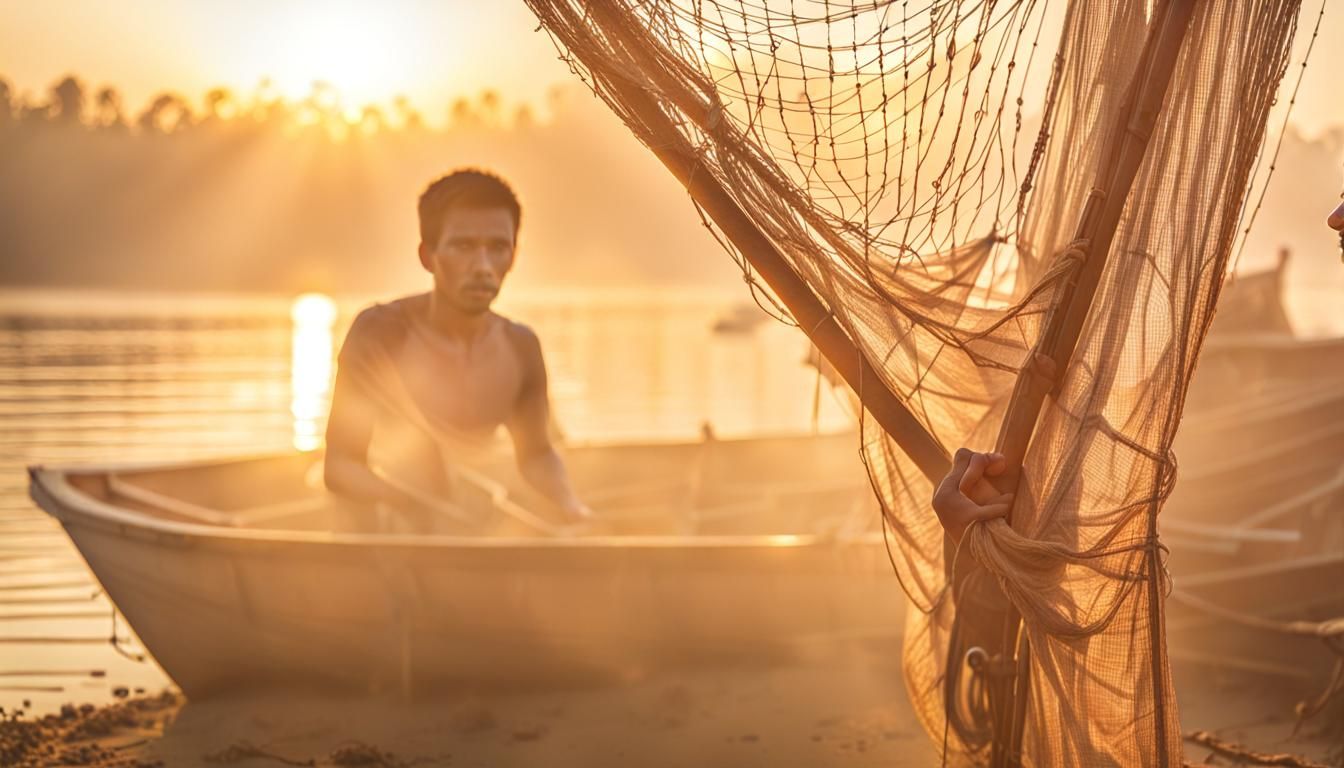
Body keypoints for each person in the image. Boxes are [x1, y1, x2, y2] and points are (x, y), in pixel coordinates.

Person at [324, 169, 590, 529]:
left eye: (497, 248)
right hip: (381, 523)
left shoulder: (521, 346)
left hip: (474, 514)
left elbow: (538, 455)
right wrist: (415, 505)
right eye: (463, 247)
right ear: (428, 256)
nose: (482, 267)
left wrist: (570, 505)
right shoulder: (380, 334)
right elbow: (340, 467)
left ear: (513, 256)